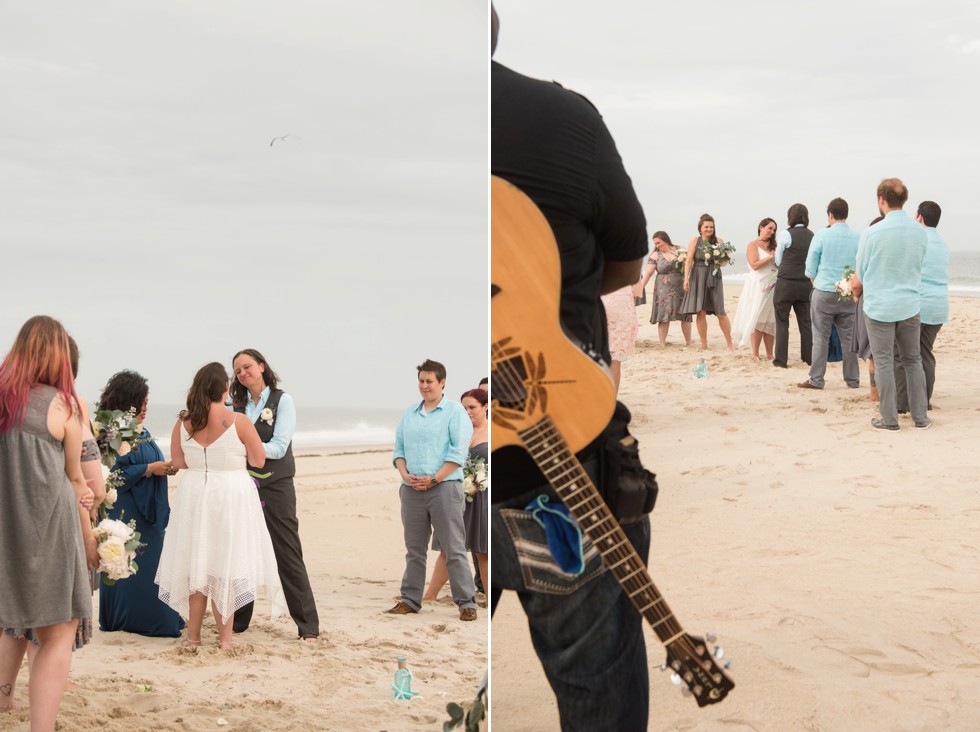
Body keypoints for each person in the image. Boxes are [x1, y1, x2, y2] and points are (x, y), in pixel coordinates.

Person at [492, 6, 654, 728]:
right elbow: (626, 257)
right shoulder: (564, 119)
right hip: (561, 454)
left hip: (456, 467)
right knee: (597, 690)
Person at [0, 315, 95, 729]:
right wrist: (90, 540)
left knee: (9, 620)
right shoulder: (64, 405)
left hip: (7, 531)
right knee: (56, 633)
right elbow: (76, 479)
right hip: (51, 528)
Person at [156, 362, 285, 648]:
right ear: (225, 388)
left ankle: (193, 638)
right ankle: (225, 640)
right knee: (223, 566)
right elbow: (258, 460)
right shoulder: (237, 421)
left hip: (194, 495)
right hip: (229, 494)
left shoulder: (184, 421)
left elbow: (178, 463)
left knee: (197, 566)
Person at [230, 349, 319, 642]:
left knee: (287, 551)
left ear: (262, 367)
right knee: (241, 551)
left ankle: (307, 626)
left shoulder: (283, 401)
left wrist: (246, 449)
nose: (244, 373)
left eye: (248, 367)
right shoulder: (236, 405)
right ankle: (239, 621)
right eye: (238, 371)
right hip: (242, 484)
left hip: (277, 485)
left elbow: (280, 447)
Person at [97, 370, 184, 638]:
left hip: (149, 509)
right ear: (127, 400)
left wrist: (162, 468)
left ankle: (143, 617)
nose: (146, 408)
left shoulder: (137, 427)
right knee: (126, 561)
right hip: (126, 508)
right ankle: (130, 619)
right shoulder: (112, 431)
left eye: (147, 402)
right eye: (141, 402)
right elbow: (110, 474)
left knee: (151, 564)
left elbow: (143, 460)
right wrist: (149, 468)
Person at [388, 360, 477, 621]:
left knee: (453, 547)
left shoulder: (455, 412)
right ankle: (410, 600)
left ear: (442, 382)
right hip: (411, 490)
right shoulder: (409, 413)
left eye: (430, 381)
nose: (424, 386)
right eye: (421, 381)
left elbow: (458, 452)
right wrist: (404, 474)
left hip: (445, 488)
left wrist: (434, 479)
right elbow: (399, 449)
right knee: (414, 548)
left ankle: (466, 603)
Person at [855, 178, 930, 430]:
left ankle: (890, 420)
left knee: (885, 362)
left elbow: (860, 275)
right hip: (909, 303)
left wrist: (856, 293)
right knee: (913, 360)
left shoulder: (873, 232)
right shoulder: (920, 231)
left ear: (881, 200)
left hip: (880, 306)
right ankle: (920, 417)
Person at [422, 388, 489, 605]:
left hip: (483, 498)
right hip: (457, 494)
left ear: (486, 407)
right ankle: (430, 595)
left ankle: (489, 600)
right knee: (448, 547)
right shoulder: (458, 430)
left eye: (472, 407)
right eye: (464, 407)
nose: (467, 411)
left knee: (482, 552)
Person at [799, 198, 860, 390]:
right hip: (847, 292)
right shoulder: (857, 237)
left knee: (820, 337)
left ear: (830, 215)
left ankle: (817, 379)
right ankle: (852, 380)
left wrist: (814, 280)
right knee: (849, 339)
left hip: (824, 291)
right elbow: (861, 266)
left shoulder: (822, 235)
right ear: (846, 214)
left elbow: (811, 264)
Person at [895, 200, 949, 413]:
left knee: (903, 354)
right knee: (925, 353)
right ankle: (924, 400)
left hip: (919, 304)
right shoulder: (943, 244)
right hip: (939, 306)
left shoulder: (917, 240)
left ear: (919, 218)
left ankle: (903, 404)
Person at [680, 213, 734, 350]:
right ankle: (704, 344)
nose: (709, 229)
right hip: (697, 275)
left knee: (720, 311)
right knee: (700, 311)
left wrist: (720, 262)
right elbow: (689, 260)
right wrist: (686, 278)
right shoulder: (695, 241)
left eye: (711, 227)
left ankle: (730, 343)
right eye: (706, 227)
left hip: (714, 276)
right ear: (700, 228)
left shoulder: (719, 241)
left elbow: (724, 262)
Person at [730, 218, 779, 360]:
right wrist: (770, 257)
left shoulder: (774, 245)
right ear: (761, 227)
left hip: (773, 284)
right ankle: (755, 354)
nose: (772, 231)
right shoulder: (753, 244)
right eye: (769, 228)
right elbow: (754, 265)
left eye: (774, 229)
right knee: (756, 317)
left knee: (770, 319)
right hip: (758, 285)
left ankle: (770, 354)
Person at [772, 203, 814, 367]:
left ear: (791, 217)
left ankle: (781, 361)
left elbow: (778, 260)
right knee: (806, 323)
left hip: (786, 283)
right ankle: (808, 358)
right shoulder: (812, 235)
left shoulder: (785, 234)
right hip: (805, 284)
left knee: (782, 321)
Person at [634, 231, 693, 347]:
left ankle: (689, 342)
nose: (657, 246)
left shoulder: (680, 250)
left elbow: (690, 264)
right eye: (655, 244)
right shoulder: (655, 255)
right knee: (664, 316)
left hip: (681, 288)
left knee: (685, 316)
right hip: (663, 291)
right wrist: (639, 289)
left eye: (658, 243)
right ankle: (662, 344)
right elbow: (648, 274)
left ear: (665, 240)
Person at [850, 215, 885, 402]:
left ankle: (875, 395)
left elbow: (857, 282)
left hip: (871, 302)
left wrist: (855, 295)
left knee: (873, 351)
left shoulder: (870, 246)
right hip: (901, 304)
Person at [600, 284, 638, 393]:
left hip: (596, 298)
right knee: (615, 358)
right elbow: (637, 288)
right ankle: (610, 399)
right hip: (621, 300)